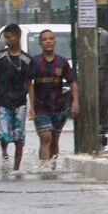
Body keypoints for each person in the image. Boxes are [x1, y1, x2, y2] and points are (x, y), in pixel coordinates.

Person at [29, 29, 79, 165]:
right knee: (45, 137)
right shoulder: (35, 62)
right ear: (40, 43)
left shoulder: (62, 62)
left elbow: (72, 83)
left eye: (51, 38)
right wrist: (32, 107)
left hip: (59, 107)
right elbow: (29, 84)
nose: (48, 41)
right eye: (45, 39)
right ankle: (44, 167)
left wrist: (75, 102)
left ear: (55, 42)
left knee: (55, 140)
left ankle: (53, 166)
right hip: (41, 107)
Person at [0, 24, 32, 169]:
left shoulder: (26, 60)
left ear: (18, 37)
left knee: (19, 137)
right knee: (5, 135)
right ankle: (5, 152)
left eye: (9, 37)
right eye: (5, 38)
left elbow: (29, 83)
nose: (6, 41)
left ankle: (16, 168)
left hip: (20, 103)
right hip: (3, 102)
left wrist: (33, 106)